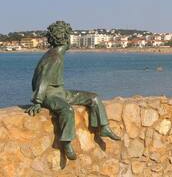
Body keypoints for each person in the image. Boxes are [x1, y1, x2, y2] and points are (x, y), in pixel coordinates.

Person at [26, 21, 120, 160]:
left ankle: (103, 127)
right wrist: (38, 101)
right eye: (67, 36)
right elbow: (43, 79)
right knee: (67, 110)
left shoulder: (57, 52)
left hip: (60, 91)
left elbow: (38, 78)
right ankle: (66, 142)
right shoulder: (55, 57)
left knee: (93, 97)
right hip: (49, 95)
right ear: (64, 38)